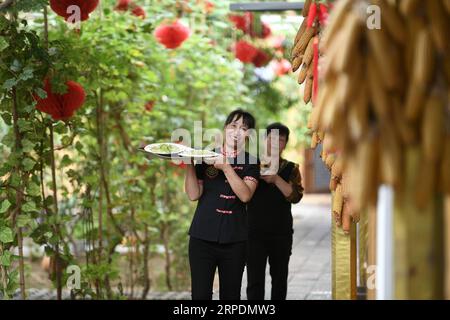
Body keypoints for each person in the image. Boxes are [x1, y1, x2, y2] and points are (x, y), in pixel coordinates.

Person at [184, 109, 260, 300]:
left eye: (243, 128)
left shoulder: (252, 162)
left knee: (231, 296)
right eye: (233, 126)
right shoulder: (205, 156)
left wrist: (226, 167)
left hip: (235, 240)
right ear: (225, 129)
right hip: (202, 237)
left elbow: (245, 196)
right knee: (200, 296)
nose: (237, 131)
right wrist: (189, 164)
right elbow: (194, 195)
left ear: (249, 135)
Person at [246, 122, 304, 300]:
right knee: (254, 281)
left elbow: (295, 197)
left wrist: (276, 179)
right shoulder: (252, 165)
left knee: (279, 279)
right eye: (272, 138)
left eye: (281, 139)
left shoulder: (291, 168)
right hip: (253, 233)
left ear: (285, 144)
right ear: (265, 140)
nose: (276, 143)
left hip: (281, 233)